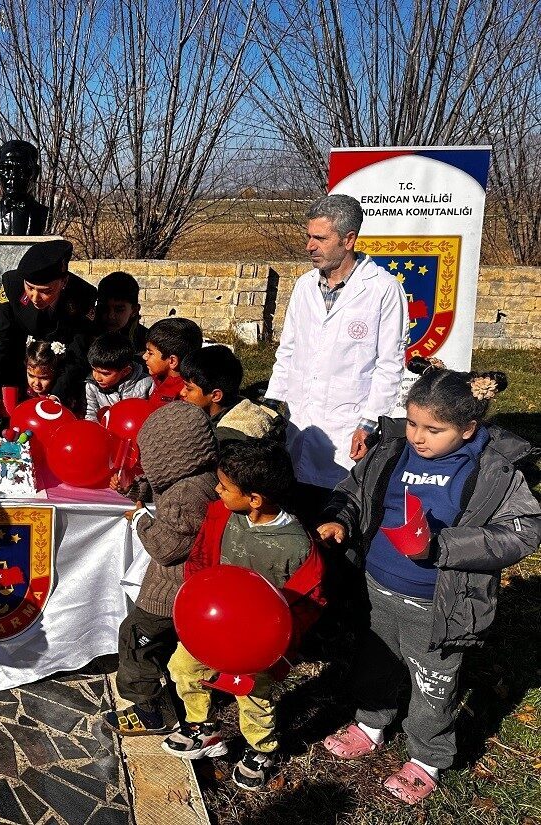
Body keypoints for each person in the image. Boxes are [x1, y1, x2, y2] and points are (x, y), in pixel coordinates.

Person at [316, 357, 539, 805]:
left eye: (432, 430)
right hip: (378, 587)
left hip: (440, 603)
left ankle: (427, 756)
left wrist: (442, 547)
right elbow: (355, 490)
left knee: (433, 680)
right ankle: (371, 722)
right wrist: (339, 518)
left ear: (469, 429)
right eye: (413, 423)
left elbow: (523, 531)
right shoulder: (395, 448)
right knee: (376, 659)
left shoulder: (494, 470)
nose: (418, 436)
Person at [163, 439, 324, 792]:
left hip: (255, 643)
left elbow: (310, 600)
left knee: (252, 695)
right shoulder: (221, 514)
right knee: (183, 669)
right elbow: (202, 559)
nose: (217, 490)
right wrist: (196, 606)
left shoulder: (297, 545)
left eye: (224, 486)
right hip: (210, 626)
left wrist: (278, 643)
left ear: (255, 499)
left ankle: (260, 749)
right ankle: (203, 729)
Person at [264, 193, 408, 509]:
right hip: (299, 419)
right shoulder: (305, 287)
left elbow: (390, 364)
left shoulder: (383, 289)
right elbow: (288, 349)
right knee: (295, 505)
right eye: (308, 236)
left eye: (320, 238)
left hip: (347, 424)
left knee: (336, 511)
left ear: (348, 239)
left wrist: (369, 423)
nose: (309, 246)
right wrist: (273, 404)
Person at [103, 402, 218, 736]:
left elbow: (166, 549)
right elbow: (160, 491)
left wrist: (140, 518)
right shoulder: (194, 478)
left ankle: (150, 709)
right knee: (158, 643)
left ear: (170, 452)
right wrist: (133, 489)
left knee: (136, 639)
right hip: (183, 586)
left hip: (170, 589)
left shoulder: (189, 493)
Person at [0, 240, 96, 427]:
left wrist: (57, 395)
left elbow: (77, 352)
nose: (35, 297)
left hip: (61, 375)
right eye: (30, 288)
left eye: (45, 291)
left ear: (64, 282)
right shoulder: (11, 286)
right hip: (20, 370)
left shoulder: (82, 296)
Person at [178, 346, 280, 443]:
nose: (182, 392)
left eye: (188, 388)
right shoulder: (240, 405)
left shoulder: (225, 440)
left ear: (216, 396)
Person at [0, 139, 49, 235]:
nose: (12, 176)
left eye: (21, 169)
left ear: (35, 173)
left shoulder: (41, 213)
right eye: (5, 169)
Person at [83, 332, 152, 421]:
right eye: (94, 369)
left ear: (125, 371)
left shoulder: (146, 384)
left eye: (105, 374)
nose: (97, 377)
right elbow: (92, 413)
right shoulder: (92, 385)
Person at [142, 317, 203, 408]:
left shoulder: (186, 393)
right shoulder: (153, 379)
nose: (144, 356)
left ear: (172, 361)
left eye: (150, 353)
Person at [95, 271, 148, 352]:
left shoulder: (147, 343)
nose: (111, 315)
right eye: (104, 308)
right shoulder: (84, 336)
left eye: (119, 310)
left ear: (134, 310)